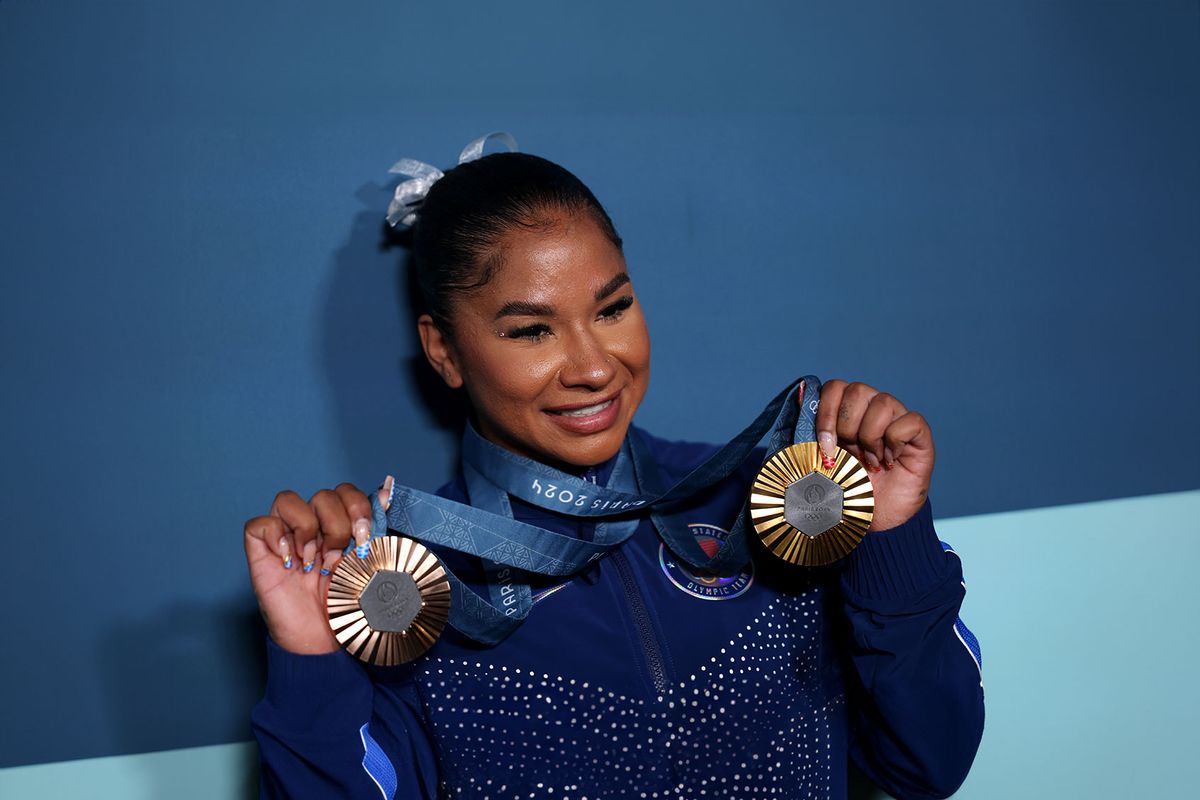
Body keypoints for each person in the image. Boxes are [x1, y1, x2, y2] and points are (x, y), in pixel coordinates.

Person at [244, 140, 985, 800]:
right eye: (532, 330)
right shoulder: (400, 591)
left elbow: (929, 763)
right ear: (443, 351)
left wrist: (892, 539)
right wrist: (312, 660)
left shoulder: (777, 503)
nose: (596, 367)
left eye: (612, 308)